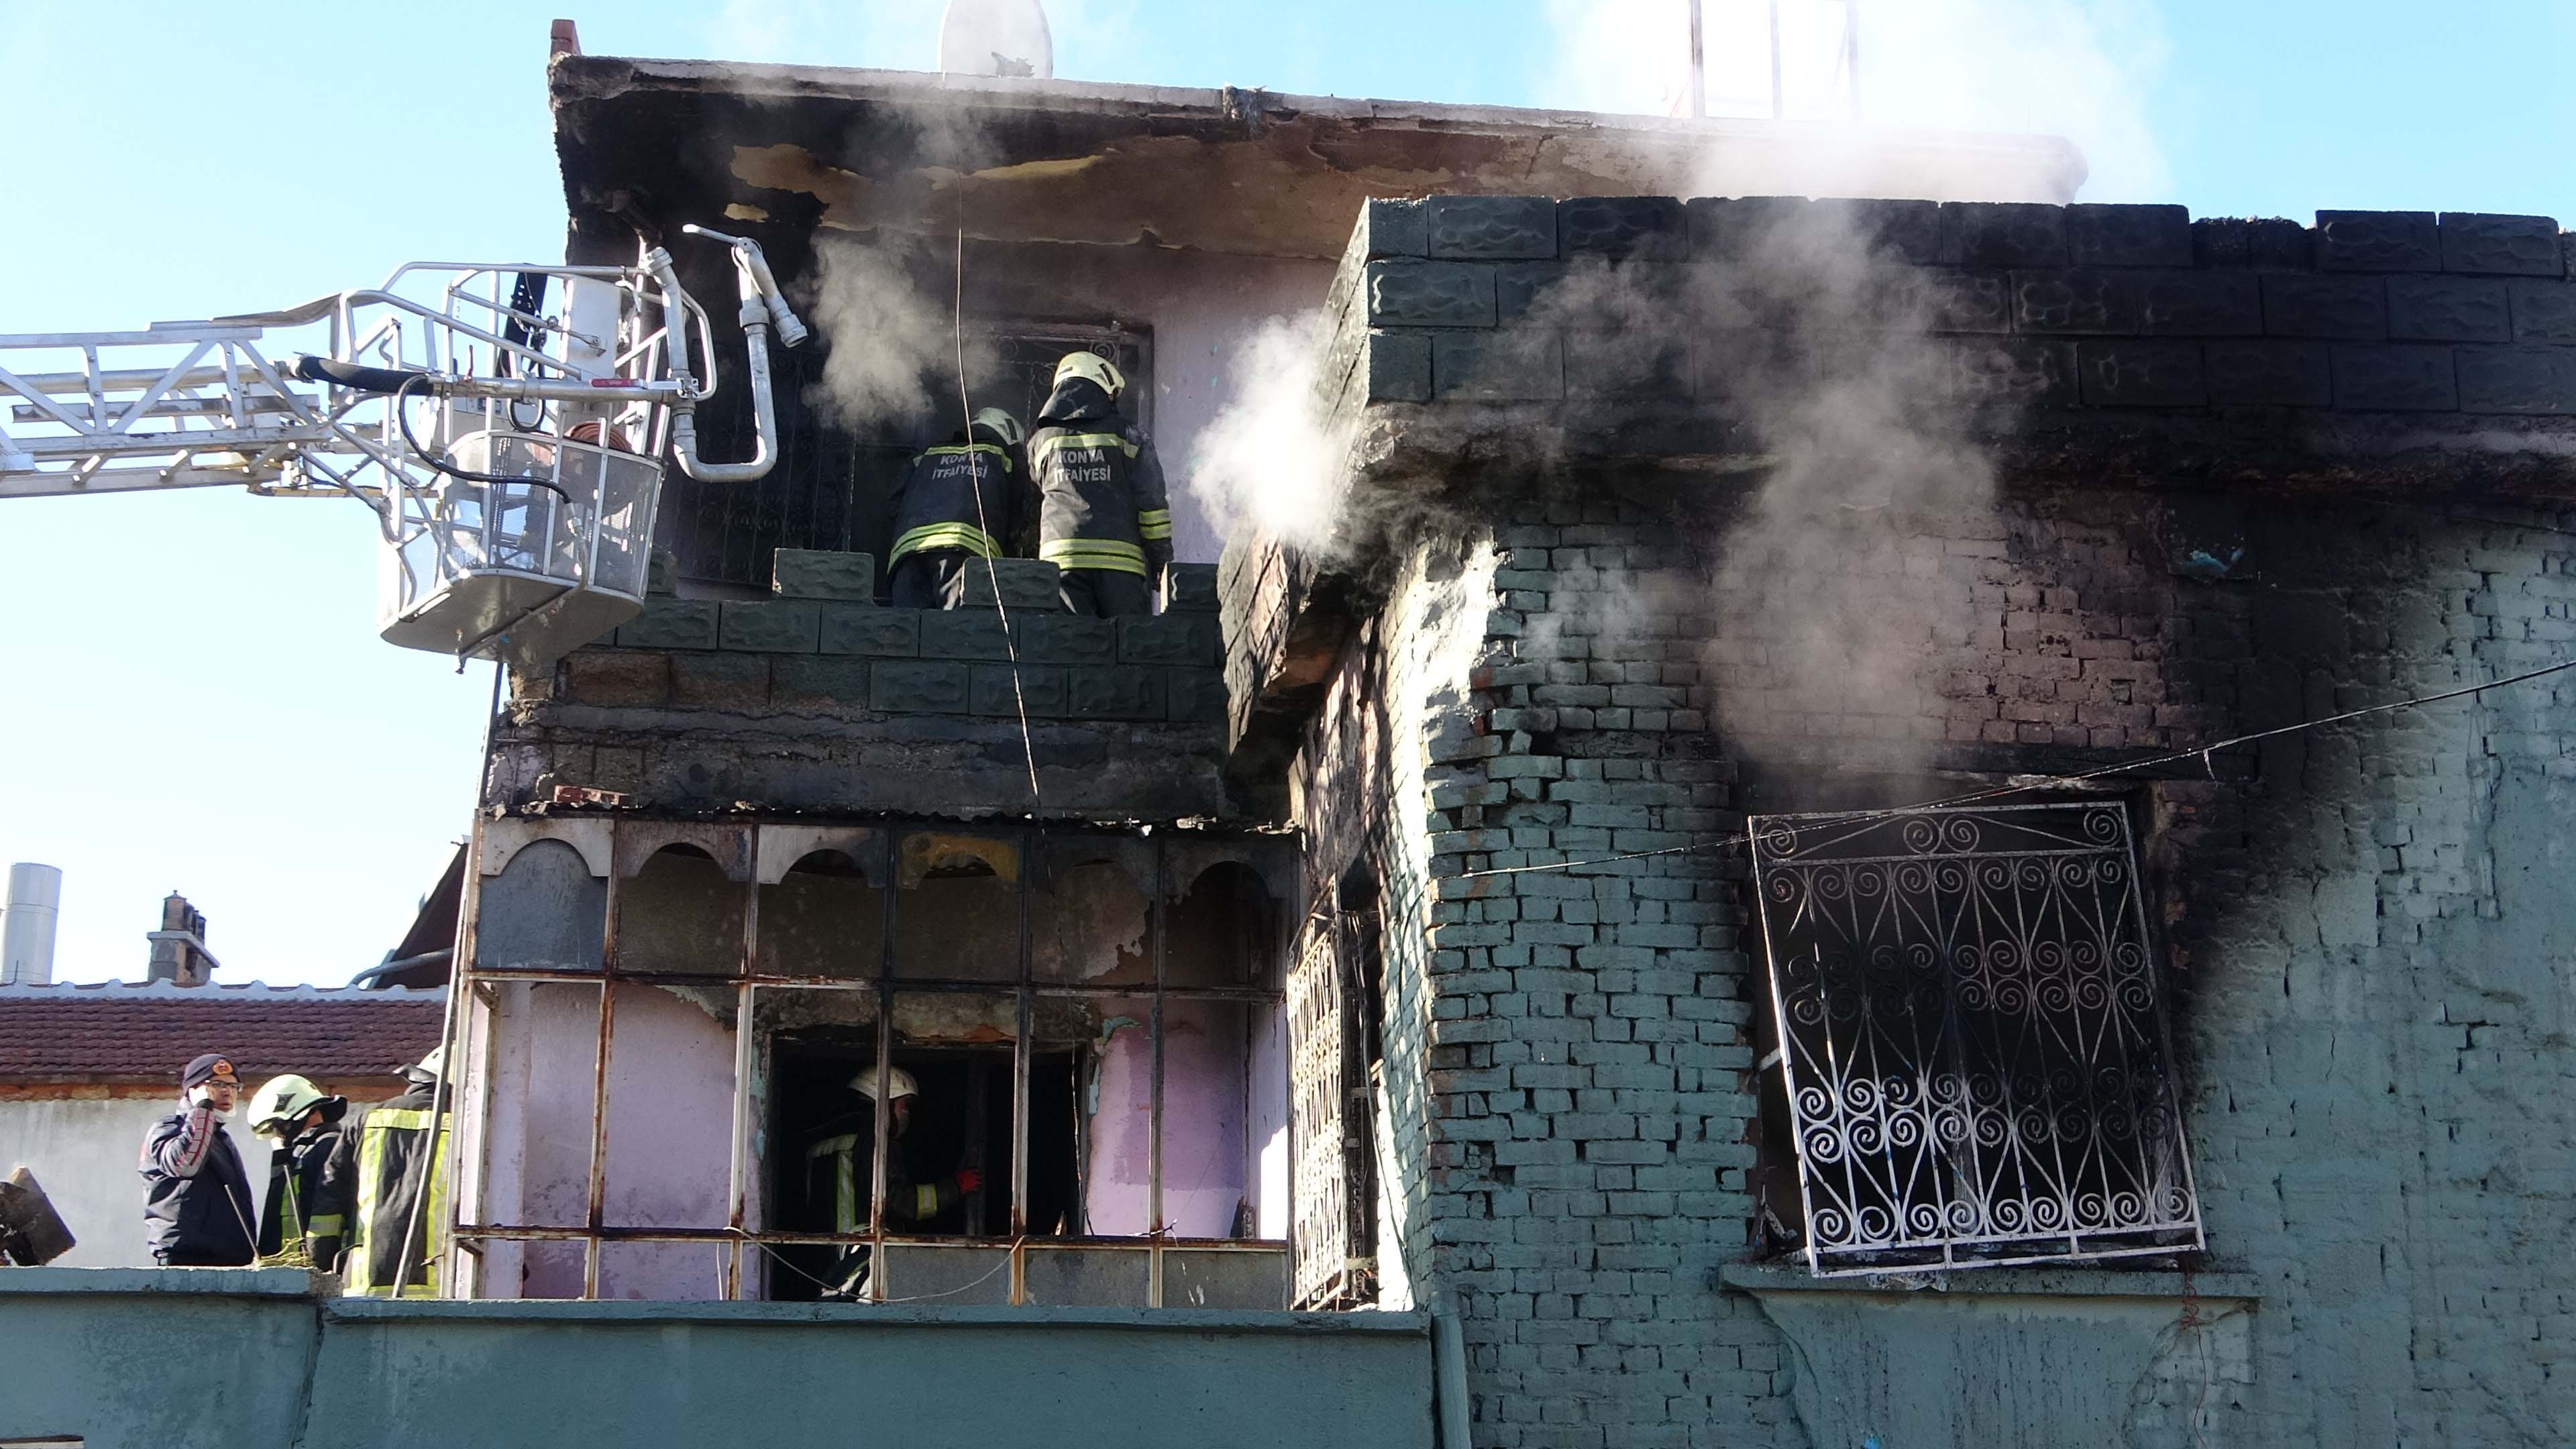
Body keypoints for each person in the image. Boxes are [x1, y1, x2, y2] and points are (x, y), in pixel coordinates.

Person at [804, 1065, 981, 1295]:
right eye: (904, 1106)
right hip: (860, 1259)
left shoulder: (820, 1143)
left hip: (822, 1260)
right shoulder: (873, 1140)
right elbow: (899, 1201)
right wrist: (957, 1186)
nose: (906, 1114)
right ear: (883, 1103)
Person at [1028, 352, 1171, 616]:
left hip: (1061, 560)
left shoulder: (1041, 442)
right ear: (1101, 386)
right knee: (1127, 646)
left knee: (1073, 649)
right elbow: (1152, 506)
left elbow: (1036, 497)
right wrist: (1161, 562)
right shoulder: (1130, 436)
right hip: (1121, 566)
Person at [887, 407, 1026, 609]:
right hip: (963, 555)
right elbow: (1018, 512)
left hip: (909, 554)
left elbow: (893, 503)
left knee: (908, 632)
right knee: (955, 631)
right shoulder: (1003, 457)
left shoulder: (928, 454)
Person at [344, 1048, 450, 1298]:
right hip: (443, 1288)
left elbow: (329, 1203)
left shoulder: (366, 1119)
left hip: (364, 1284)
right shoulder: (471, 1122)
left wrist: (320, 1268)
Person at [139, 1052, 260, 1267]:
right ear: (193, 1090)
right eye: (217, 1084)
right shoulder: (167, 1129)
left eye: (234, 1087)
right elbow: (186, 1164)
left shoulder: (220, 1138)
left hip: (229, 1259)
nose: (227, 1093)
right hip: (187, 1258)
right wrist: (203, 1107)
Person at [246, 1074, 356, 1273]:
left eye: (276, 1126)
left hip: (313, 1270)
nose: (277, 1134)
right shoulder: (306, 1151)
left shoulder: (328, 1148)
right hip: (295, 1269)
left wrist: (317, 1267)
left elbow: (327, 1219)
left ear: (296, 1115)